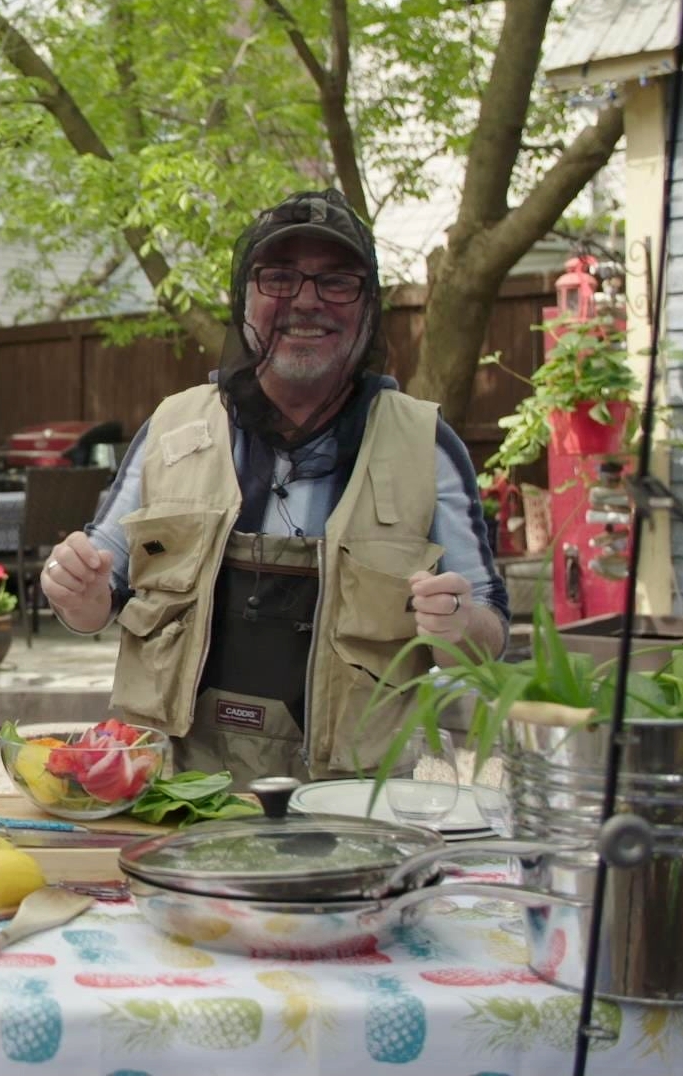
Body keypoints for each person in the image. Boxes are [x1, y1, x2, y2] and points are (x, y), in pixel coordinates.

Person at [42, 189, 507, 783]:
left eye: (337, 282)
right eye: (279, 278)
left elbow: (487, 631)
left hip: (351, 808)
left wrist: (459, 625)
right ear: (244, 300)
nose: (306, 302)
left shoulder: (427, 446)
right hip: (174, 798)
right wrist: (75, 592)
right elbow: (96, 595)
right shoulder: (173, 426)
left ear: (367, 308)